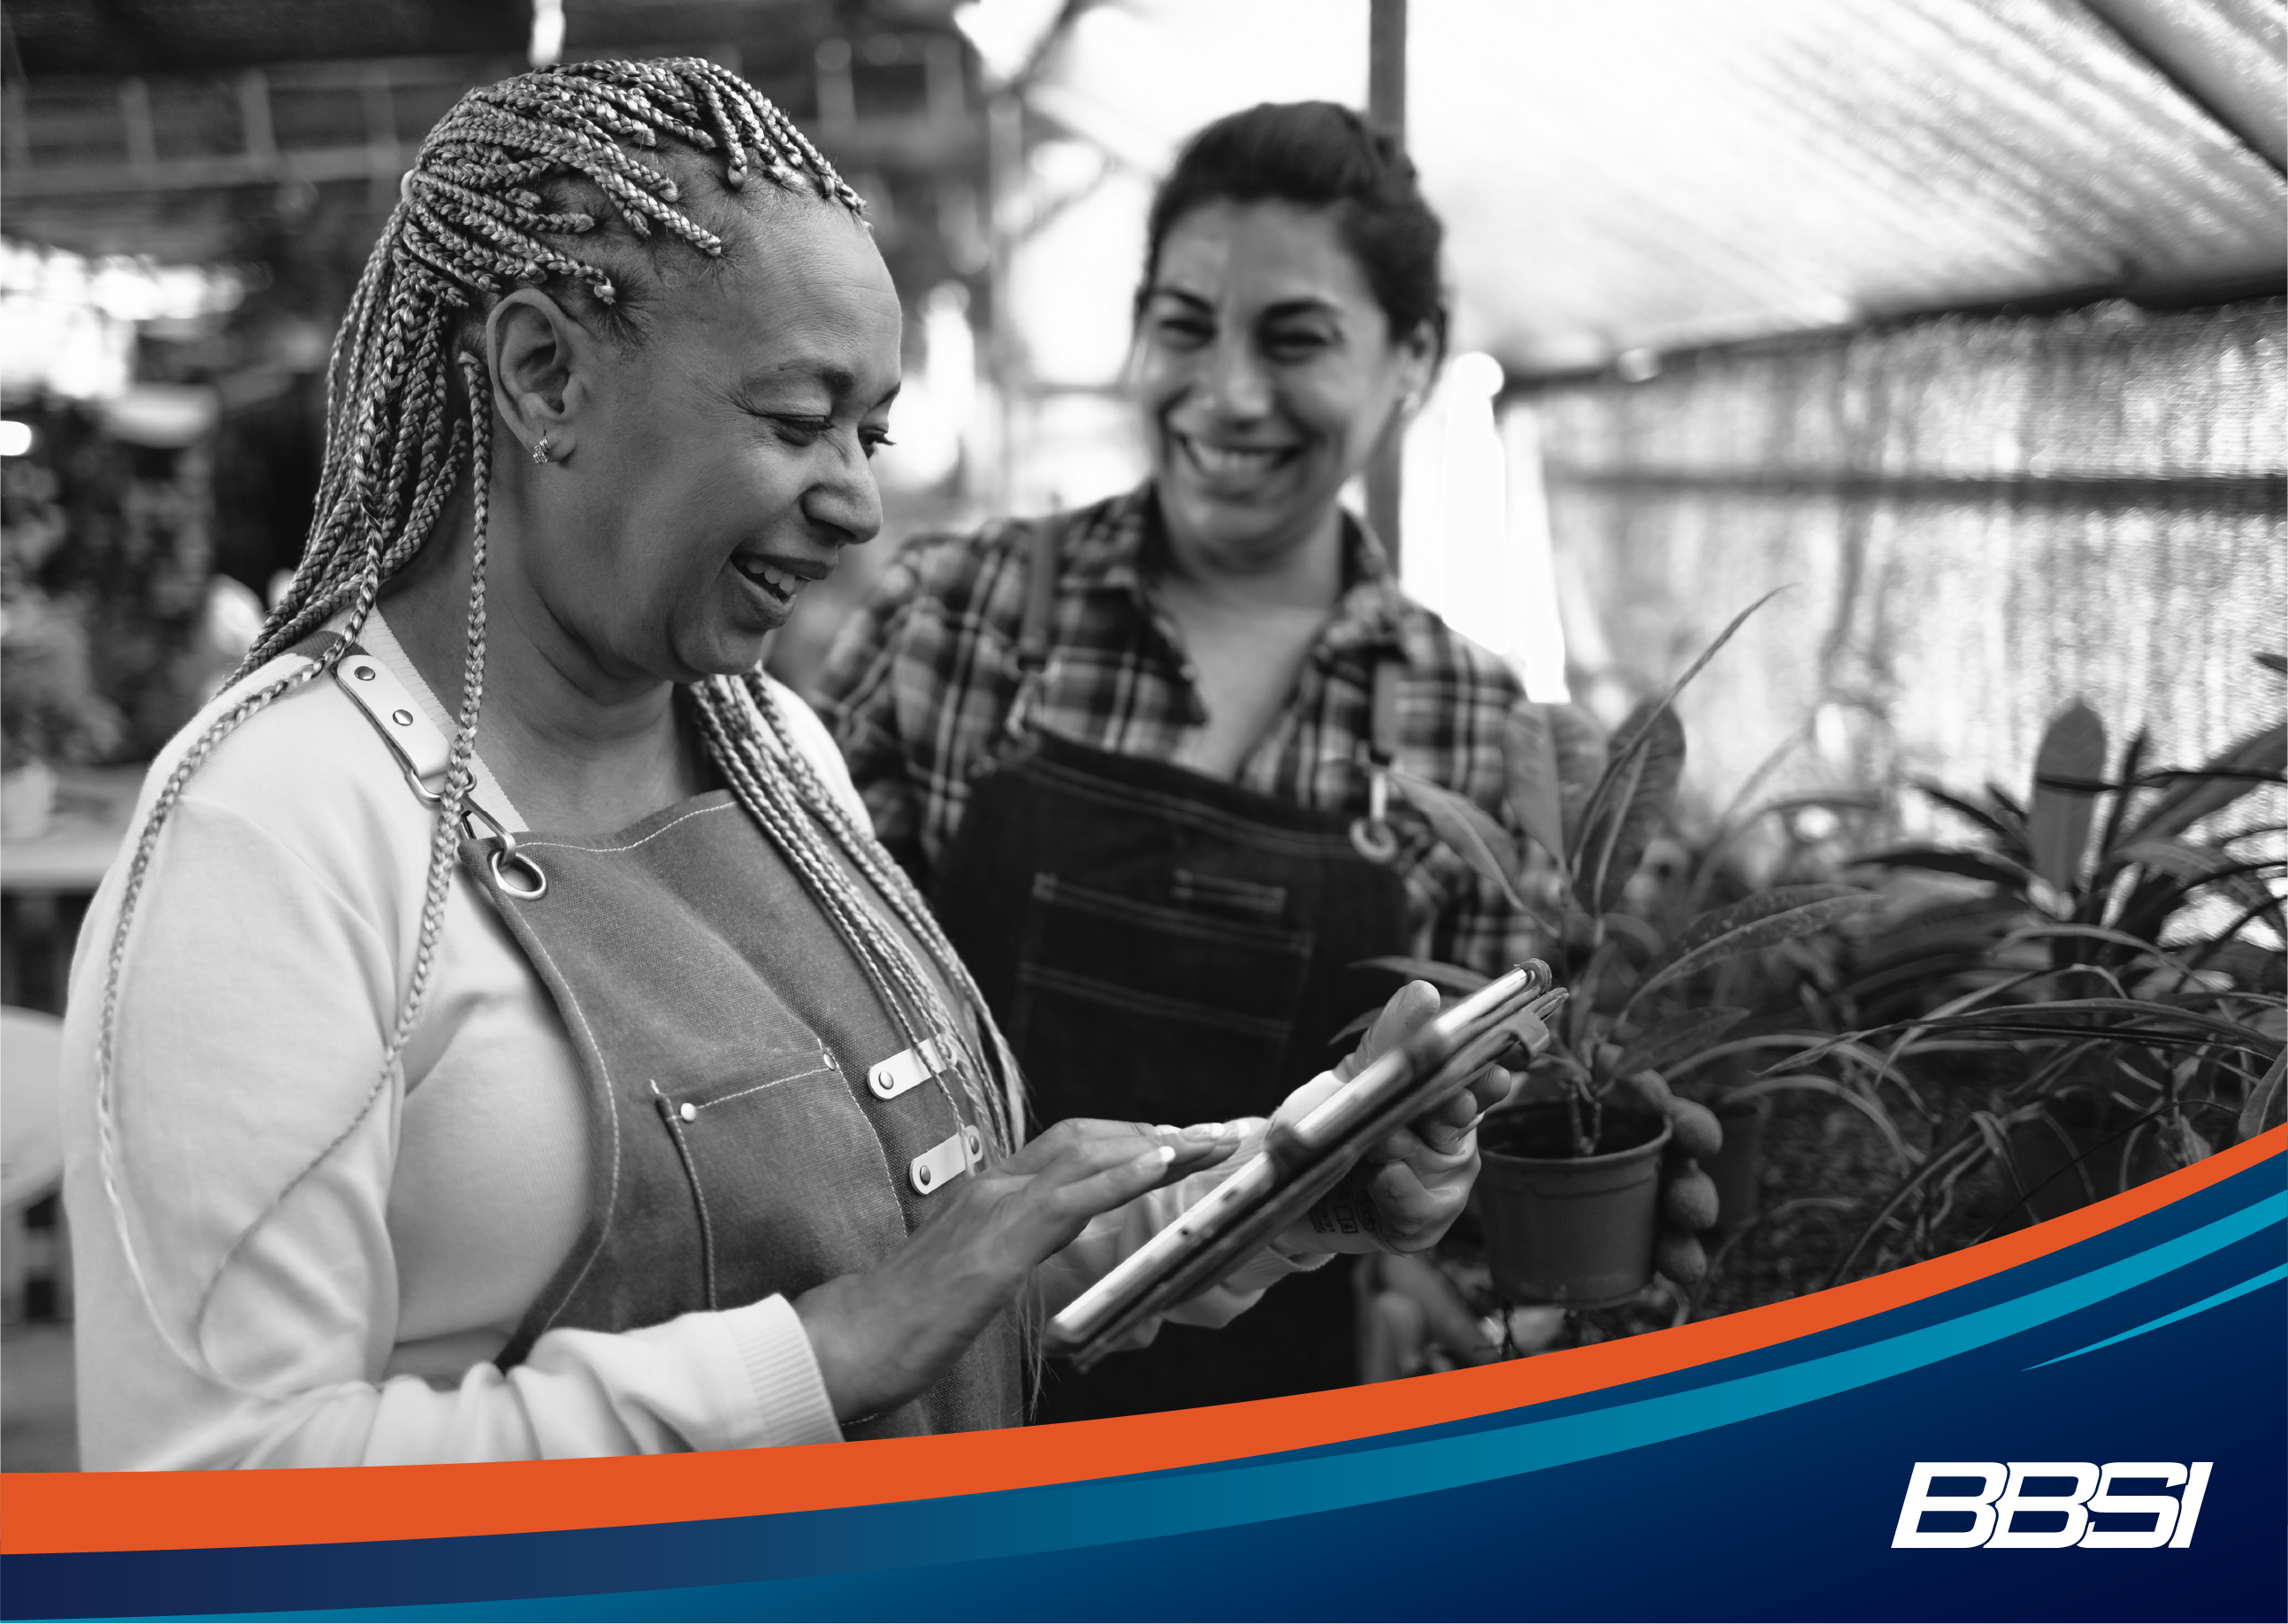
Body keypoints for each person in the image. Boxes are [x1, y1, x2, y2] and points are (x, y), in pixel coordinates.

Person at [56, 62, 1517, 1470]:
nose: (863, 503)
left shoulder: (773, 756)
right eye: (798, 419)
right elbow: (214, 1493)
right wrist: (820, 1358)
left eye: (870, 432)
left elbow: (934, 1268)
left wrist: (1264, 1196)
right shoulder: (280, 826)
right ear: (541, 371)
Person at [819, 102, 1715, 1422]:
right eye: (1183, 327)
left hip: (1276, 1419)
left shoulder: (1468, 722)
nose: (1226, 393)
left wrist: (1570, 1167)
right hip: (936, 1385)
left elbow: (1467, 1145)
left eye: (1293, 341)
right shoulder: (962, 612)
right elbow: (803, 1013)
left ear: (1411, 361)